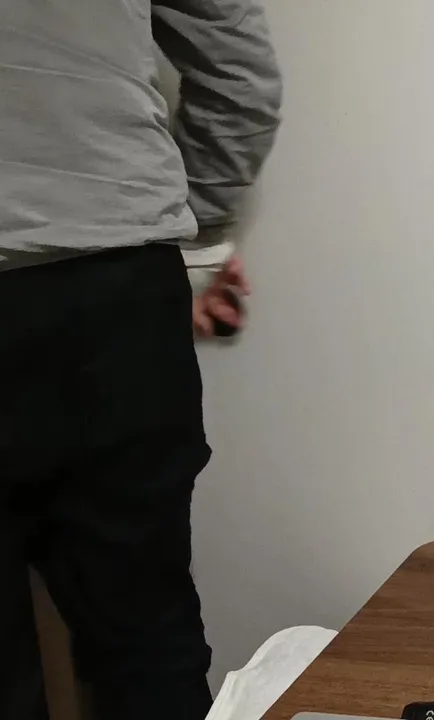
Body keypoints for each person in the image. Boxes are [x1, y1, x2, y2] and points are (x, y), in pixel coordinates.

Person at [0, 1, 282, 718]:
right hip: (113, 287)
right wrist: (195, 235)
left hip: (113, 271)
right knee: (147, 641)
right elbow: (239, 67)